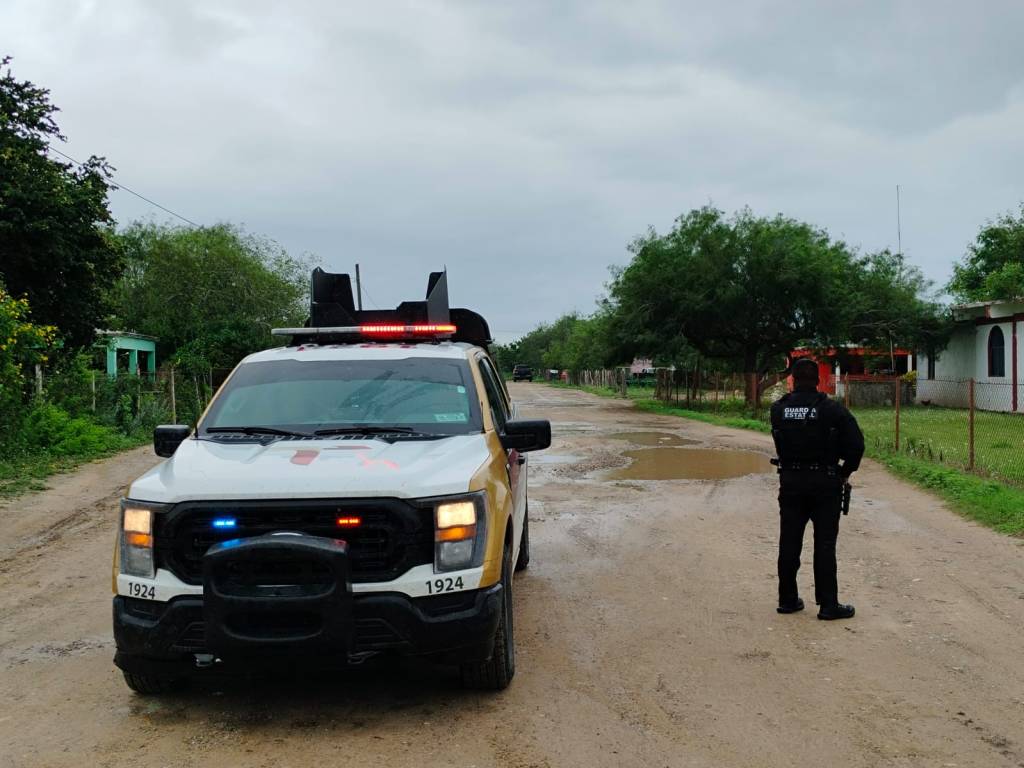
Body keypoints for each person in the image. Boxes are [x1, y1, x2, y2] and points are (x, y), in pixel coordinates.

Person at [770, 358, 864, 620]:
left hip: (790, 481)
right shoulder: (832, 410)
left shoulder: (778, 409)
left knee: (789, 542)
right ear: (818, 380)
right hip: (825, 483)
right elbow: (856, 446)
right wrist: (843, 472)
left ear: (793, 380)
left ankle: (787, 599)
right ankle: (828, 605)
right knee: (824, 545)